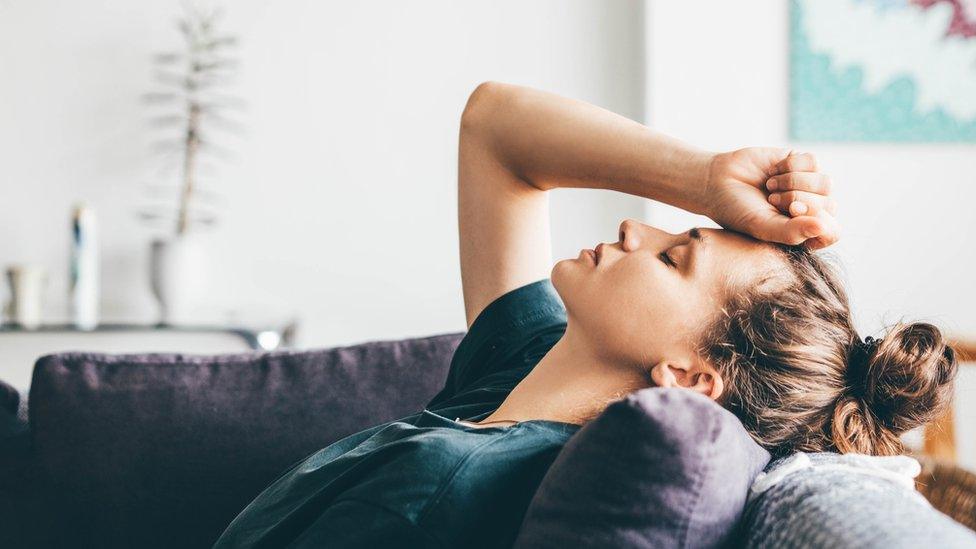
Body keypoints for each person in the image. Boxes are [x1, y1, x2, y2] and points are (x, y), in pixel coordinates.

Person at [212, 82, 957, 548]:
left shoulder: (442, 484)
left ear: (688, 374)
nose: (640, 230)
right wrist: (705, 179)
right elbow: (495, 127)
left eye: (674, 257)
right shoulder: (525, 365)